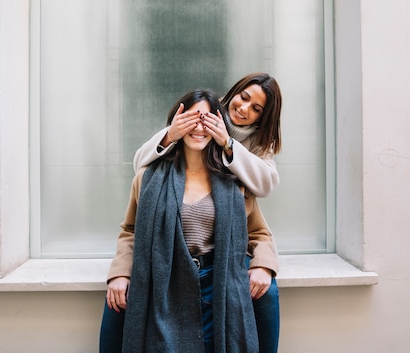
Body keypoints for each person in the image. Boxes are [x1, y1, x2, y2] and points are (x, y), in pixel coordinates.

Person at [100, 89, 279, 353]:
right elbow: (130, 230)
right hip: (166, 279)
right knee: (118, 310)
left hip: (216, 282)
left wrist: (264, 266)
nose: (198, 126)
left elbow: (260, 234)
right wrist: (120, 272)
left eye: (206, 119)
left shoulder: (234, 182)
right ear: (177, 121)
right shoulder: (148, 178)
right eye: (192, 118)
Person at [133, 72, 282, 198]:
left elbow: (266, 185)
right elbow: (139, 164)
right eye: (244, 97)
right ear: (235, 91)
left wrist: (228, 144)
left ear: (263, 117)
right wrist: (169, 136)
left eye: (256, 109)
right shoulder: (204, 109)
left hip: (226, 214)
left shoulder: (260, 141)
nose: (244, 108)